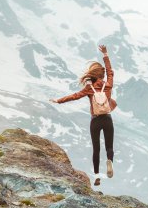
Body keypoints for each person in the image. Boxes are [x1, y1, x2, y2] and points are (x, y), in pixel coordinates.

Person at [50, 45, 117, 186]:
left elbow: (75, 96)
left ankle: (97, 176)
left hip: (95, 121)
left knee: (96, 148)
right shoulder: (109, 85)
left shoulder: (89, 88)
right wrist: (105, 54)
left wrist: (58, 100)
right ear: (102, 75)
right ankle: (110, 161)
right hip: (107, 119)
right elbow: (110, 71)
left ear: (93, 75)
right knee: (109, 146)